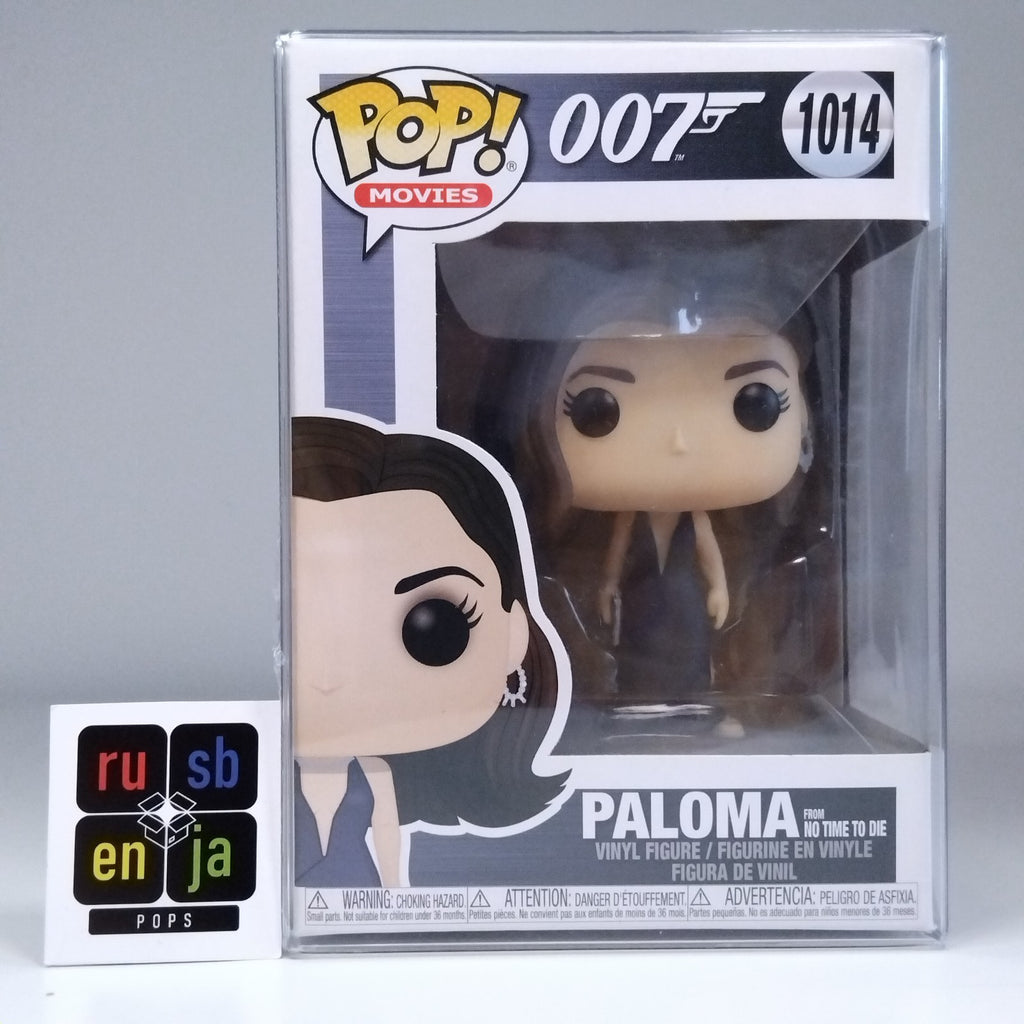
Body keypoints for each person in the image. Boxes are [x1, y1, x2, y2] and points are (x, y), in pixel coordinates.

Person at [291, 416, 566, 888]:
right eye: (291, 625)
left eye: (436, 628)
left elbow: (387, 835)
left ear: (515, 632)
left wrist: (396, 894)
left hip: (359, 888)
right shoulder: (255, 780)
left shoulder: (374, 774)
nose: (328, 675)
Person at [543, 313, 812, 700]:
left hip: (684, 592)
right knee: (637, 641)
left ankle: (691, 691)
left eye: (755, 405)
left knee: (690, 641)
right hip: (640, 592)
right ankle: (637, 691)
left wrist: (719, 588)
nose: (678, 441)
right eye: (597, 408)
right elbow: (616, 552)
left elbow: (708, 552)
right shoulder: (630, 516)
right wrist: (608, 586)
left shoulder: (695, 516)